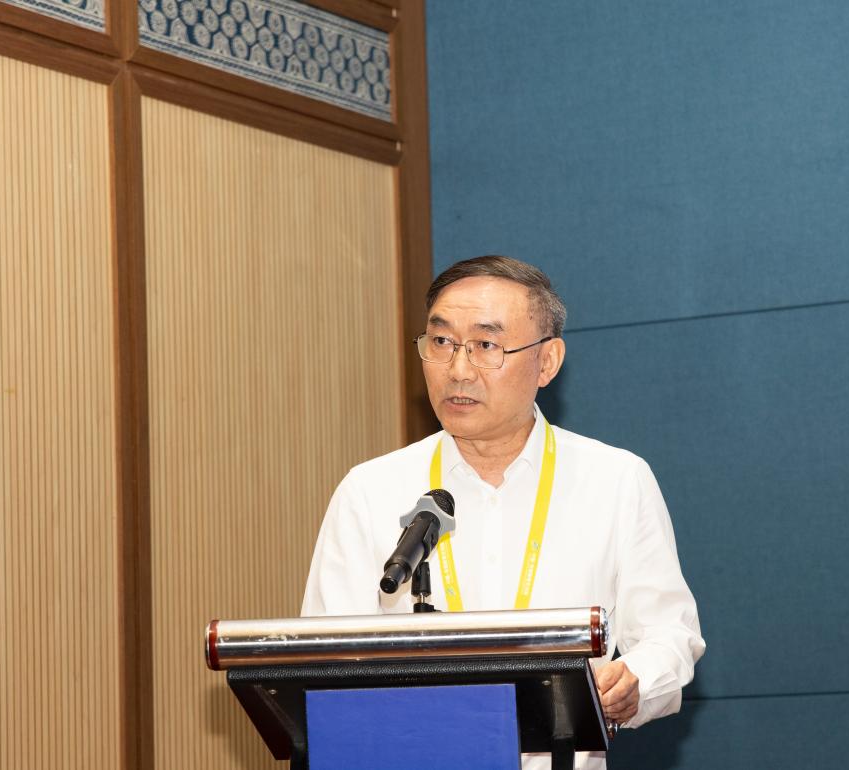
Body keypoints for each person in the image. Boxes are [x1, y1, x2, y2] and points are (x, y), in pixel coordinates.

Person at [302, 255, 705, 769]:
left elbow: (669, 633)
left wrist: (634, 682)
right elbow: (323, 660)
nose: (458, 369)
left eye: (486, 345)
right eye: (441, 342)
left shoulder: (615, 480)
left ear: (547, 361)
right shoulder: (370, 490)